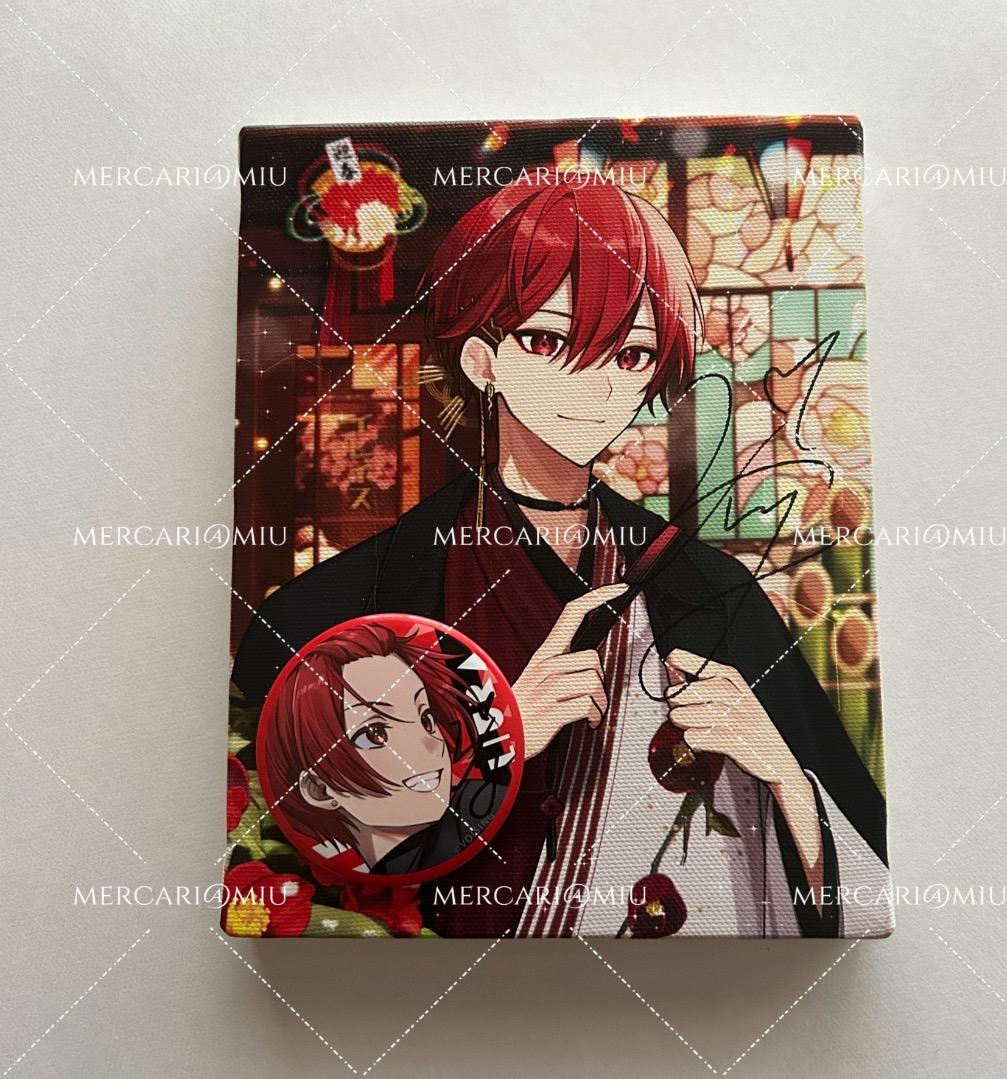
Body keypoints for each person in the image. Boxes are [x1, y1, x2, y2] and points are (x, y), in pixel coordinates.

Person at [234, 178, 891, 937]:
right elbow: (292, 842)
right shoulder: (355, 595)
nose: (598, 385)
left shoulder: (705, 588)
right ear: (482, 359)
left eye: (633, 353)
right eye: (548, 342)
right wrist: (501, 738)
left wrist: (782, 776)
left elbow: (870, 892)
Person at [258, 621, 510, 877]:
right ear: (319, 789)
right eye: (375, 734)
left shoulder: (480, 805)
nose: (431, 743)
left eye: (426, 718)